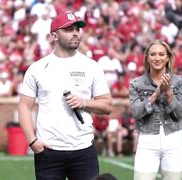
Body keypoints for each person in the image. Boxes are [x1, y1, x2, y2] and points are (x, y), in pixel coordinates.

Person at [18, 11, 112, 180]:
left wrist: (83, 102)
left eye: (77, 29)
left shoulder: (91, 66)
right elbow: (24, 107)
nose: (75, 33)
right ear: (54, 35)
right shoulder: (38, 68)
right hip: (48, 151)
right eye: (68, 29)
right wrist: (32, 141)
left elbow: (107, 105)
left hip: (83, 150)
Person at [129, 40, 182, 180]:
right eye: (153, 54)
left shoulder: (180, 81)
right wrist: (155, 94)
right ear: (147, 58)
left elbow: (179, 113)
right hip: (147, 139)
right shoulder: (136, 83)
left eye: (161, 54)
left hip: (175, 139)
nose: (157, 58)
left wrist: (168, 93)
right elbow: (136, 112)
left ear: (168, 57)